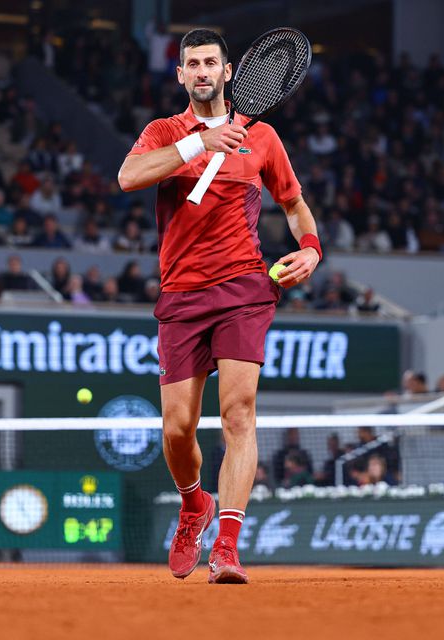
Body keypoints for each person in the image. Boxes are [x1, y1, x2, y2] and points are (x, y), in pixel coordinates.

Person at [118, 29, 321, 584]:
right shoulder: (164, 132)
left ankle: (227, 546)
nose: (202, 71)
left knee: (239, 414)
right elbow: (128, 177)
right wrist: (199, 145)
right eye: (192, 64)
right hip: (181, 296)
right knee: (177, 430)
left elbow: (295, 205)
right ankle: (193, 505)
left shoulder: (264, 138)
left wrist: (310, 248)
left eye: (211, 62)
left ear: (230, 72)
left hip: (243, 291)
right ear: (181, 75)